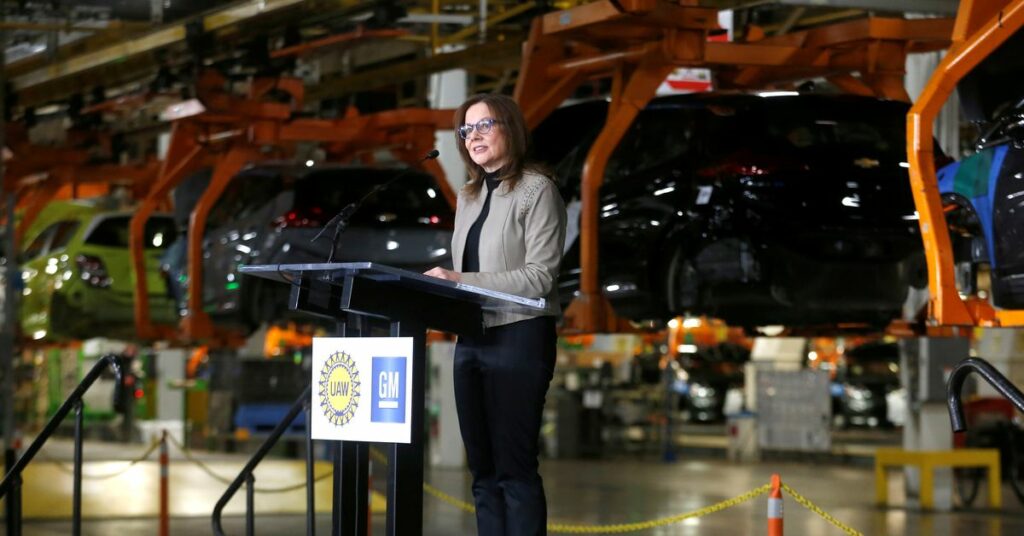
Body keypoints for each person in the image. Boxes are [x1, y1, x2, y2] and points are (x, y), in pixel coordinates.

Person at [424, 93, 566, 536]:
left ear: (511, 128)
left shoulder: (537, 190)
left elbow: (539, 277)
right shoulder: (467, 197)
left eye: (485, 125)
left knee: (514, 470)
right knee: (482, 474)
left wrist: (460, 281)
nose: (474, 136)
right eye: (467, 130)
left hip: (520, 338)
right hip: (473, 339)